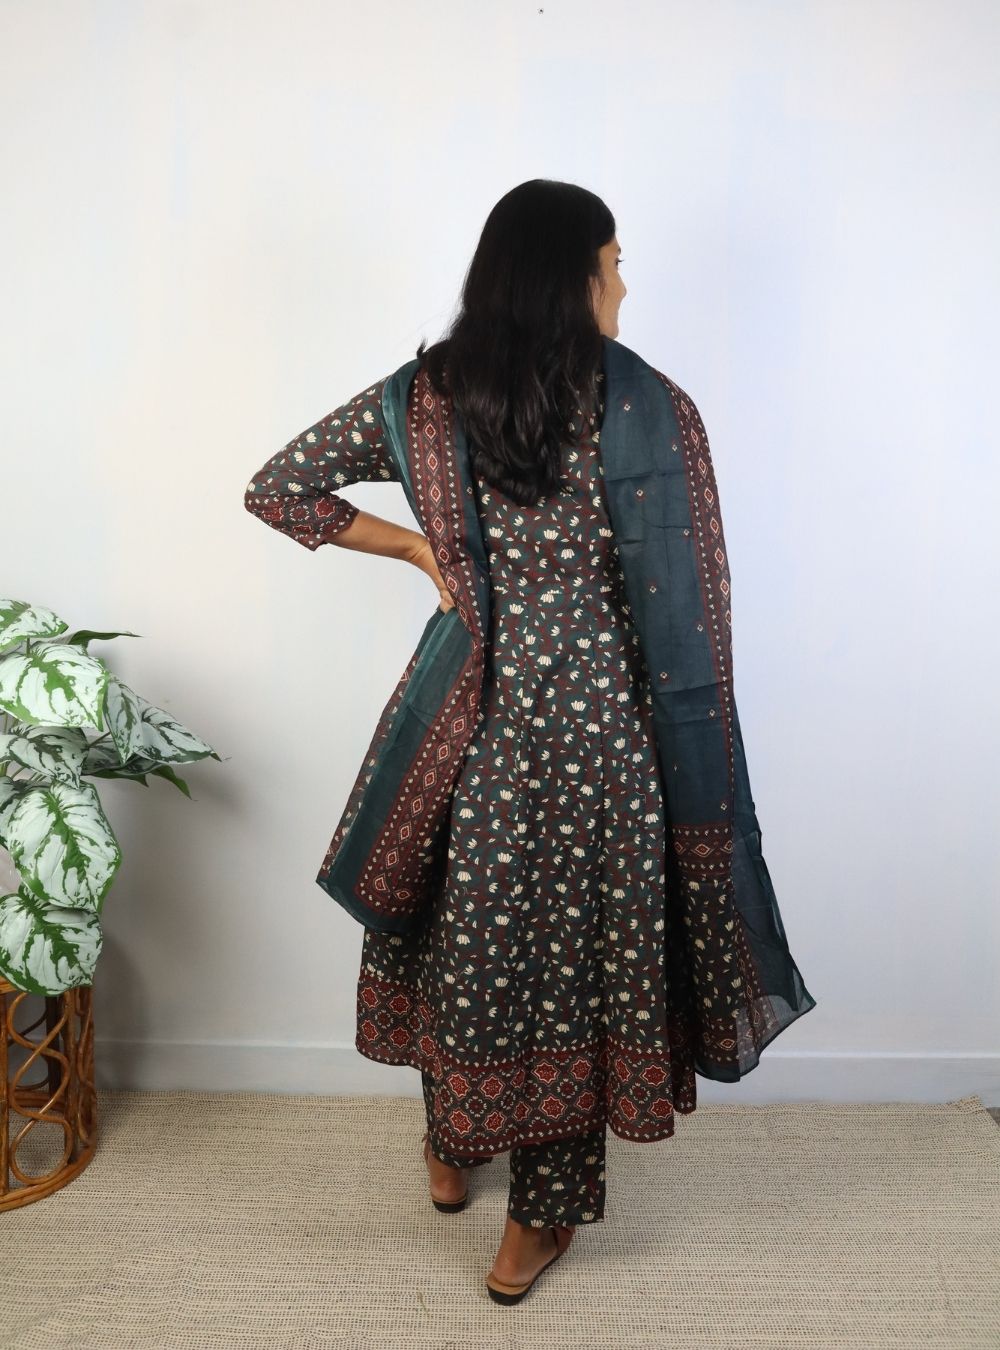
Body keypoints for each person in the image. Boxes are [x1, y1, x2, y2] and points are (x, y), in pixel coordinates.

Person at [244, 179, 815, 1305]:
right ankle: (537, 1222)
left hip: (472, 727)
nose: (624, 284)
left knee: (464, 937)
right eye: (614, 261)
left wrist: (423, 552)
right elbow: (698, 604)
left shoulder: (428, 397)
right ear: (572, 275)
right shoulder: (654, 409)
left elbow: (281, 488)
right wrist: (425, 550)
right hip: (610, 741)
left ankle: (452, 1146)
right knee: (577, 969)